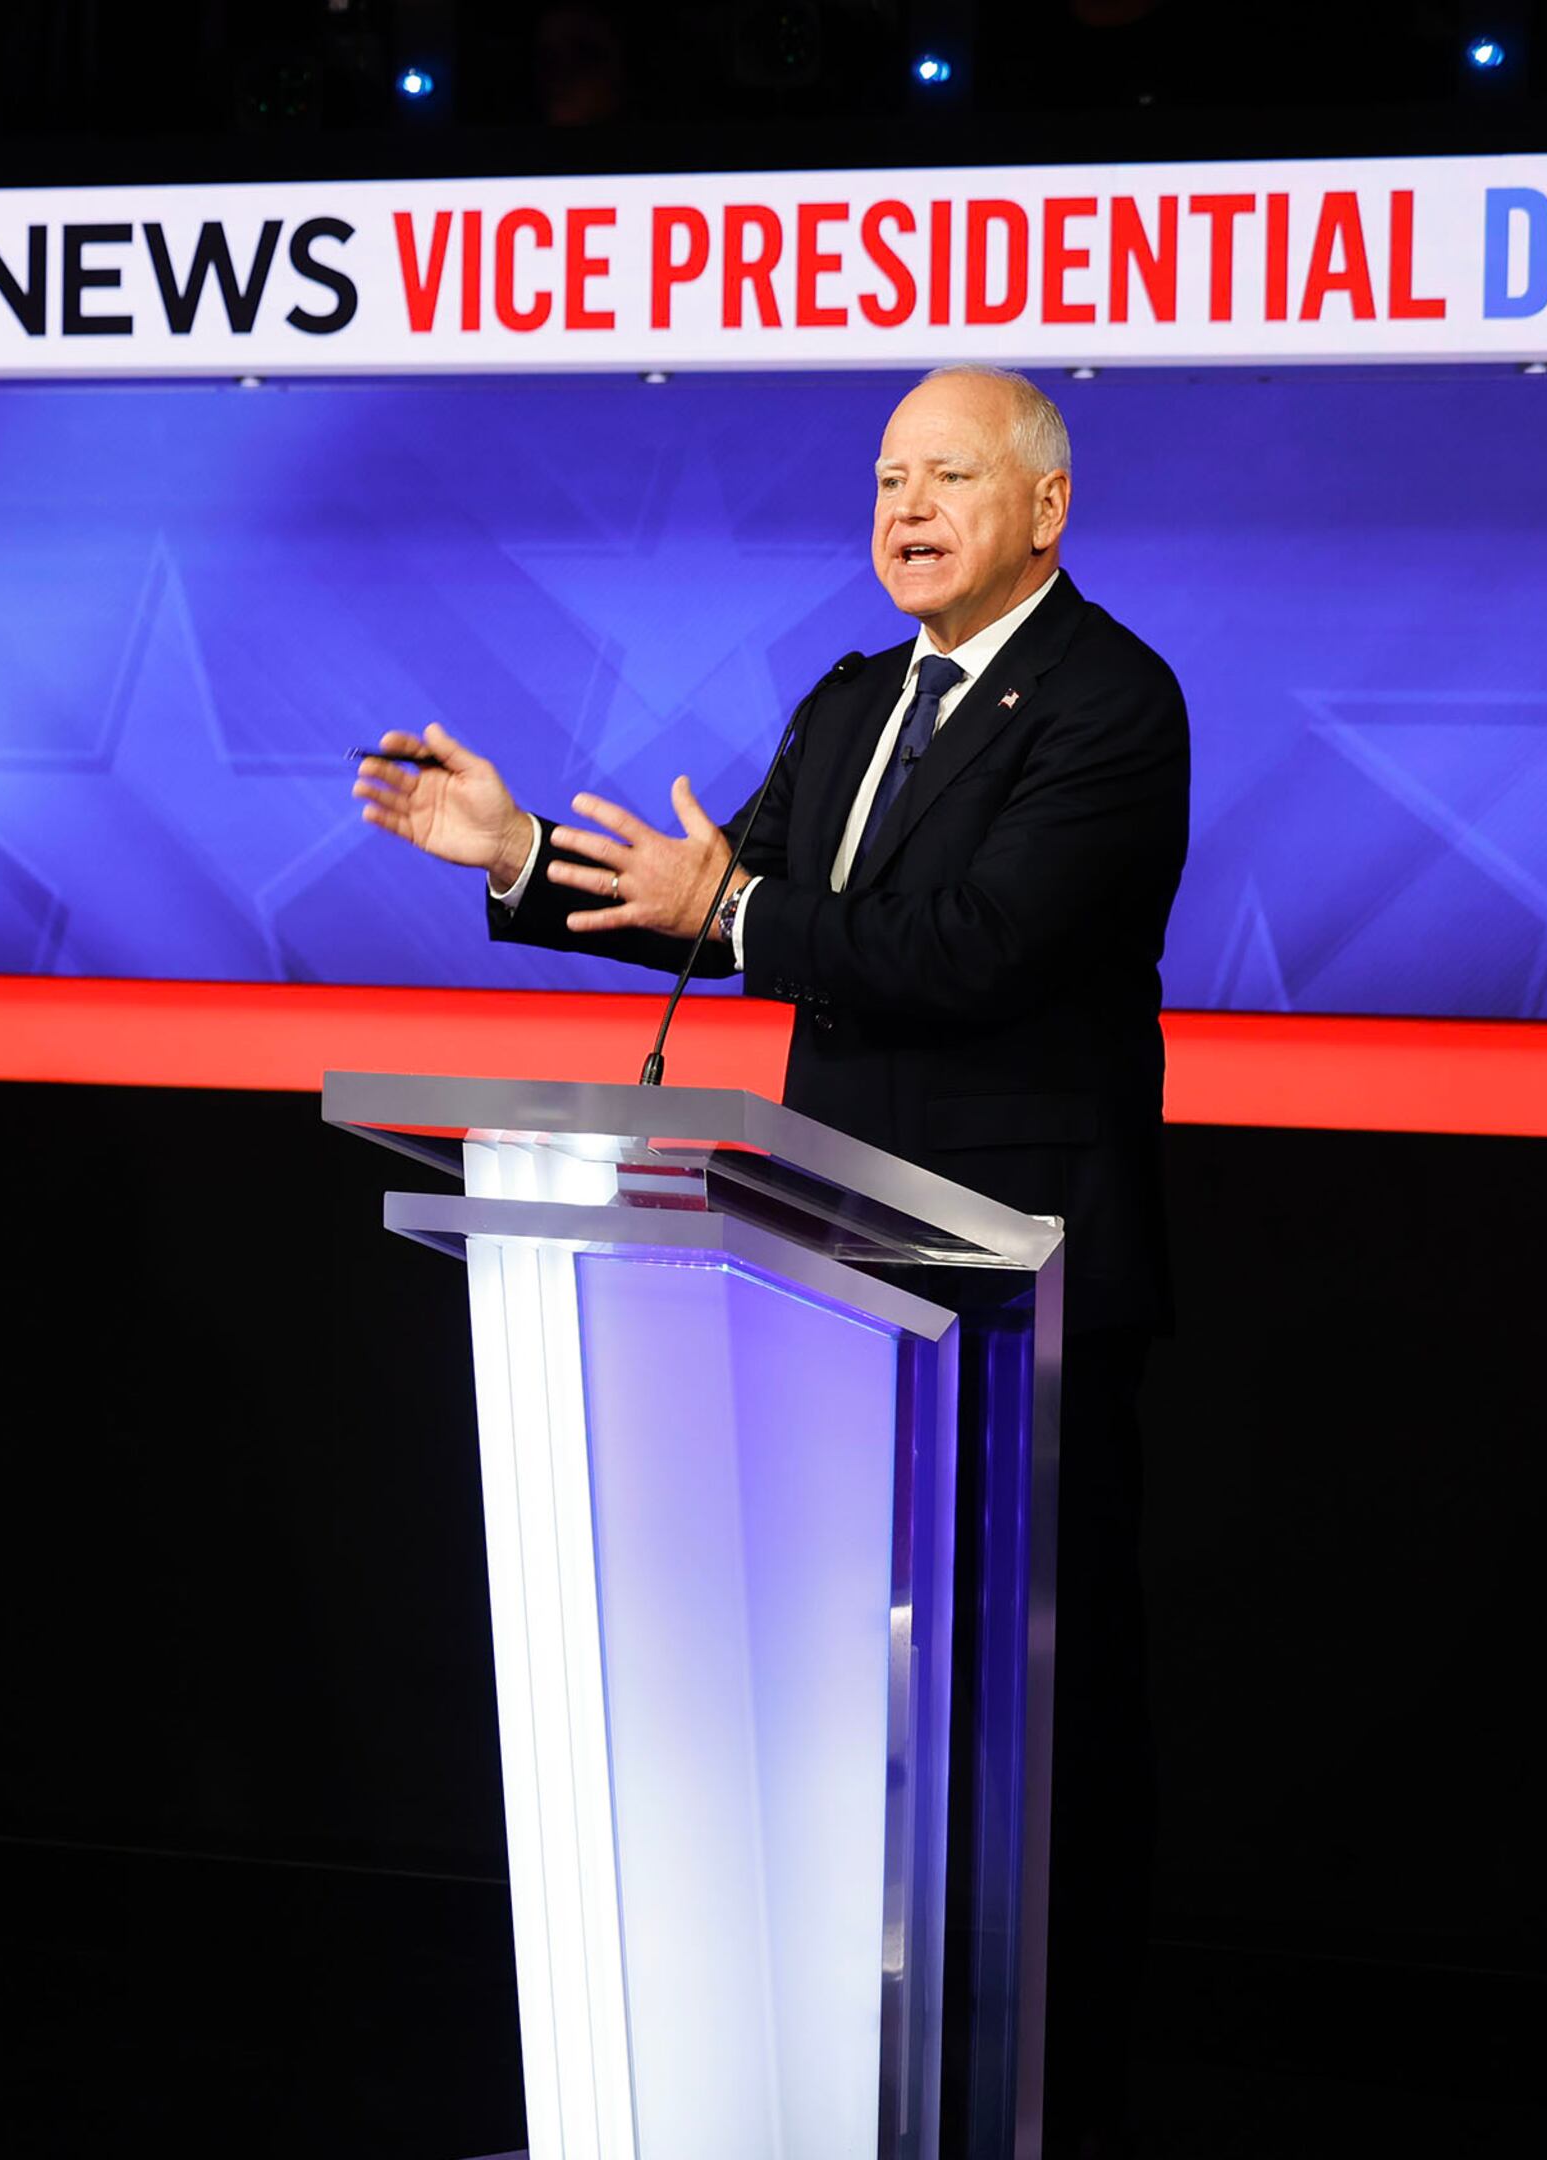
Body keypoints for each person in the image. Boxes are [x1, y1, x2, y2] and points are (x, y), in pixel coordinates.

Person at [355, 363, 1188, 2160]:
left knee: (1033, 1755)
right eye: (889, 474)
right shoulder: (850, 700)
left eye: (947, 475)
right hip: (842, 1283)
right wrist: (516, 857)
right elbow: (715, 889)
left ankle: (1051, 2110)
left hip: (1014, 1291)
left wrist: (733, 911)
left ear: (1044, 507)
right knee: (858, 1738)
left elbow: (967, 949)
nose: (906, 506)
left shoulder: (1113, 702)